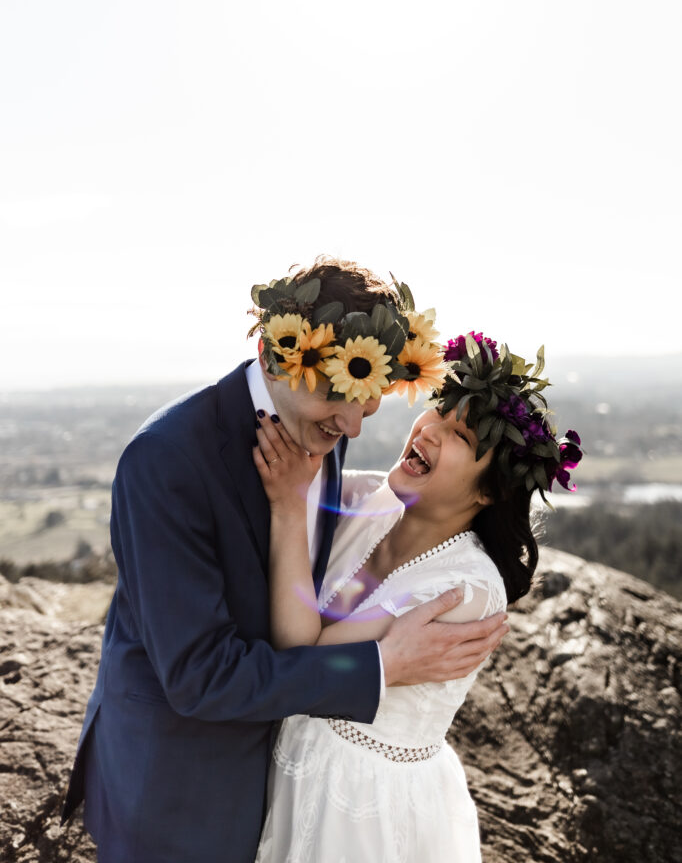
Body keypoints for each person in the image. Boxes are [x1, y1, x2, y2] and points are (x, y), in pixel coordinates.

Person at [61, 260, 508, 863]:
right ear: (280, 358)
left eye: (366, 405)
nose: (351, 425)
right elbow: (200, 675)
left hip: (295, 790)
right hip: (180, 786)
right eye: (338, 400)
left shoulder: (325, 421)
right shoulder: (166, 462)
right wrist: (380, 667)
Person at [253, 331, 583, 862]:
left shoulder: (465, 591)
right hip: (289, 768)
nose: (428, 430)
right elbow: (294, 466)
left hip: (363, 809)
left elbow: (302, 656)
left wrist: (290, 509)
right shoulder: (370, 502)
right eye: (436, 411)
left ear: (488, 492)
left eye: (457, 436)